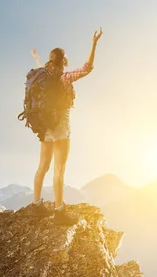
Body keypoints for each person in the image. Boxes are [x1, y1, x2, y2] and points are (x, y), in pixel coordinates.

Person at [31, 27, 103, 225]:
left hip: (44, 127)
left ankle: (36, 204)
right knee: (59, 170)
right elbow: (87, 68)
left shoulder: (42, 75)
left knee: (42, 166)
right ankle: (59, 211)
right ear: (63, 61)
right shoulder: (65, 77)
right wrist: (94, 43)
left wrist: (36, 57)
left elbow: (38, 70)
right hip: (61, 125)